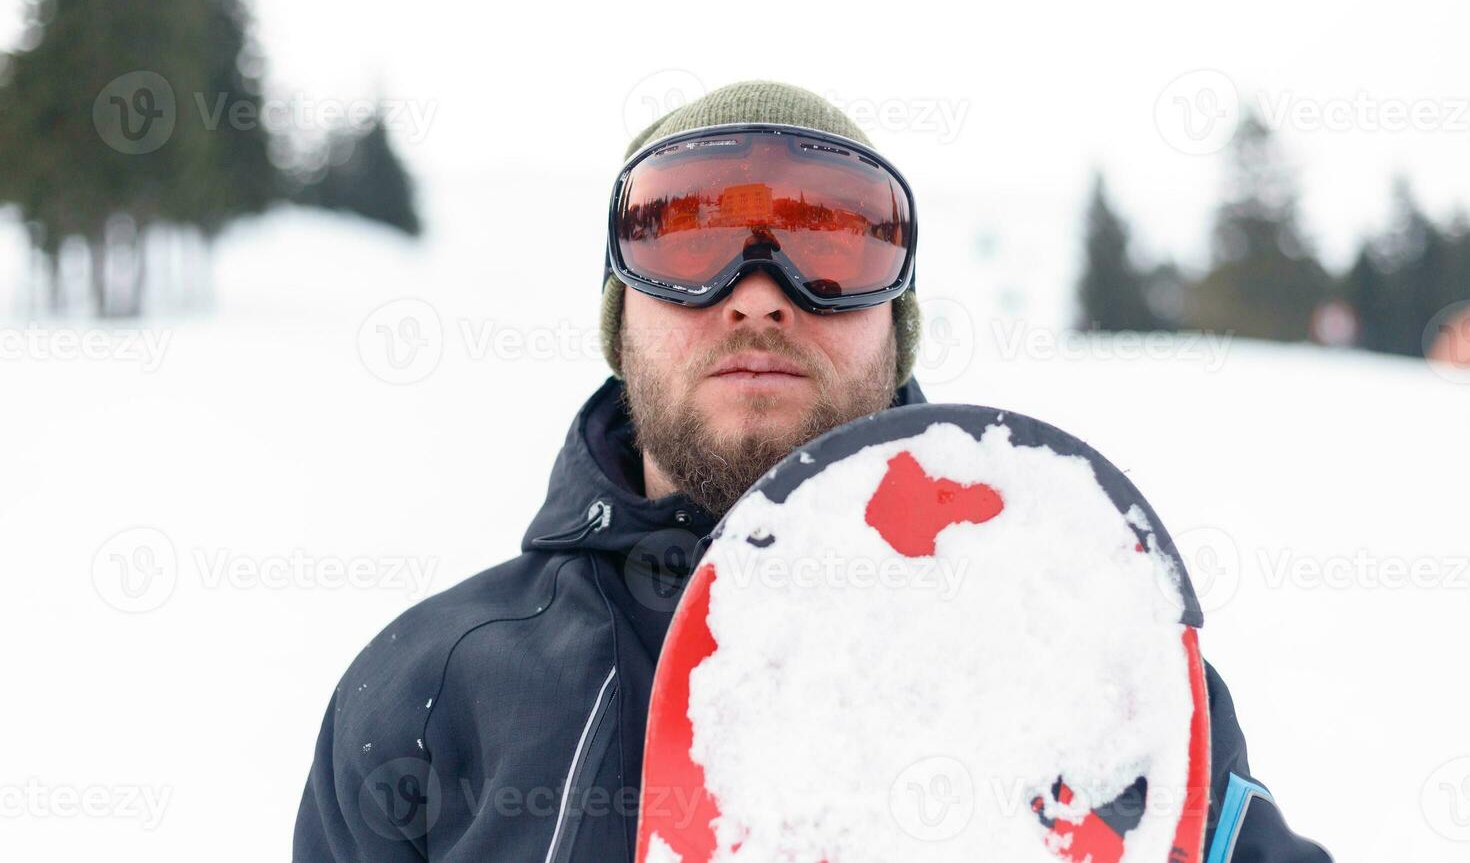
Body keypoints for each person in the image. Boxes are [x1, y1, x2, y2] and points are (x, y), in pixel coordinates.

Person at [293, 80, 1330, 861]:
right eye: (688, 235)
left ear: (897, 326)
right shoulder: (430, 695)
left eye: (832, 243)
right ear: (620, 320)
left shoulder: (1086, 650)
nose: (757, 295)